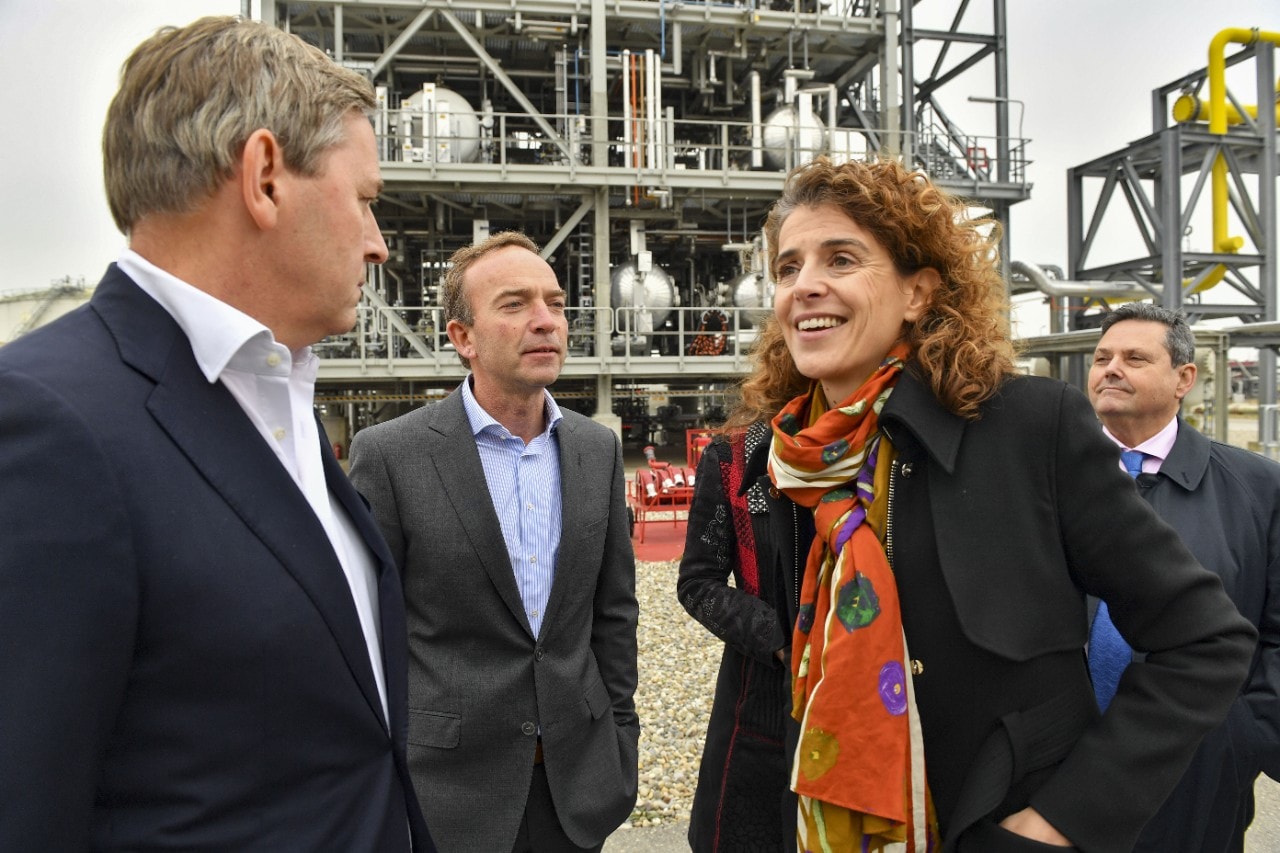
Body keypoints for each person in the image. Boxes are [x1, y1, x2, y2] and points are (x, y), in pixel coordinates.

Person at [737, 156, 1256, 852]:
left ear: (918, 291)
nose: (806, 286)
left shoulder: (1029, 428)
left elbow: (1205, 639)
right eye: (787, 267)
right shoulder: (791, 459)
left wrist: (1061, 822)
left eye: (841, 258)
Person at [0, 16, 432, 851]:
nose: (379, 244)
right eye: (366, 200)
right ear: (266, 176)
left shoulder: (272, 392)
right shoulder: (49, 426)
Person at [348, 232, 640, 853]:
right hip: (449, 794)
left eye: (555, 304)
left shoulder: (597, 450)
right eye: (514, 305)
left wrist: (620, 742)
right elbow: (370, 635)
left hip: (575, 788)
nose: (545, 322)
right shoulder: (392, 455)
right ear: (463, 338)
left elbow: (613, 615)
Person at [1088, 302, 1280, 852]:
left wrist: (1242, 738)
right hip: (1054, 764)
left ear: (1184, 379)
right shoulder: (1042, 481)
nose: (1111, 368)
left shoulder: (1258, 489)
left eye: (1134, 357)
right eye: (1102, 357)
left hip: (1195, 773)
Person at [677, 411, 801, 852]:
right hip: (761, 712)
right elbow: (697, 583)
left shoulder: (892, 450)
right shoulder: (735, 455)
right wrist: (780, 640)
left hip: (881, 707)